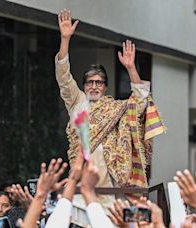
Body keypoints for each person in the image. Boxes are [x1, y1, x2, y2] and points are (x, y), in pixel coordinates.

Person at [55, 9, 165, 201]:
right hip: (79, 178)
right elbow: (63, 76)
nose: (94, 86)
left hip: (107, 183)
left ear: (105, 86)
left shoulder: (116, 108)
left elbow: (141, 100)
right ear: (83, 85)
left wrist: (131, 68)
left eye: (99, 82)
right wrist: (65, 39)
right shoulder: (77, 101)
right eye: (90, 82)